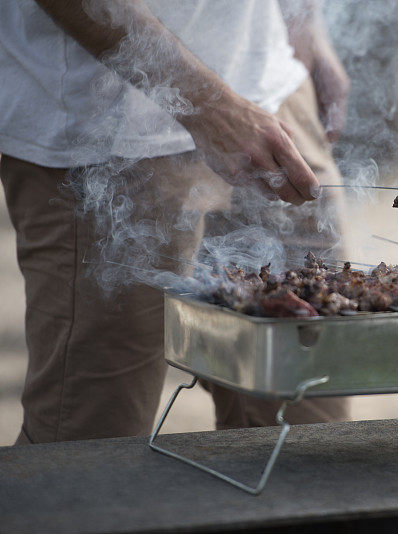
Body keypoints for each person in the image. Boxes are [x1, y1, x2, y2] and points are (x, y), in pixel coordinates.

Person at [0, 0, 350, 444]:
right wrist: (209, 107)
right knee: (92, 453)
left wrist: (308, 25)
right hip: (108, 140)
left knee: (309, 441)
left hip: (275, 96)